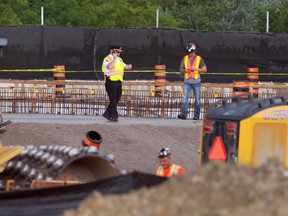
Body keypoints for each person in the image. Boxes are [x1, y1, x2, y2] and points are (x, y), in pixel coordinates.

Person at [102, 45, 132, 122]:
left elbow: (125, 66)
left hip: (118, 81)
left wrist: (129, 66)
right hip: (110, 81)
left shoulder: (120, 60)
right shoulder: (107, 59)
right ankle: (114, 115)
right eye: (117, 52)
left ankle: (107, 113)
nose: (118, 54)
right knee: (113, 98)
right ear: (112, 51)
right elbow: (109, 67)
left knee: (116, 99)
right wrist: (114, 59)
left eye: (119, 52)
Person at [178, 42, 207, 120]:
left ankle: (196, 115)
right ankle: (184, 113)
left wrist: (197, 69)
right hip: (187, 81)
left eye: (191, 52)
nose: (190, 54)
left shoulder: (199, 59)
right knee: (185, 98)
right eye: (189, 52)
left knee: (197, 100)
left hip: (196, 82)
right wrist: (184, 70)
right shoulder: (184, 59)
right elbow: (180, 69)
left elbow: (205, 69)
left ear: (194, 51)